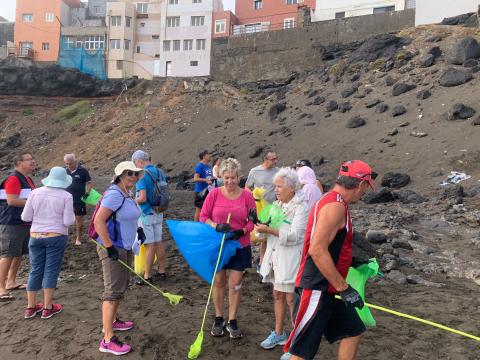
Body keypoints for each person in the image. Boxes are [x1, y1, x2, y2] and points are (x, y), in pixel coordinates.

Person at [281, 160, 377, 360]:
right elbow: (317, 250)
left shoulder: (333, 201)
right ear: (360, 185)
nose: (364, 192)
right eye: (366, 187)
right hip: (315, 289)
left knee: (353, 330)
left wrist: (352, 260)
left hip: (327, 288)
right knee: (301, 353)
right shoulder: (335, 206)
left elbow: (331, 245)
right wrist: (344, 288)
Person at [200, 158, 255, 339]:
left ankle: (232, 320)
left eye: (233, 177)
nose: (230, 181)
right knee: (218, 282)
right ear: (221, 176)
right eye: (226, 177)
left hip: (240, 244)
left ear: (239, 177)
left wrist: (243, 230)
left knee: (235, 284)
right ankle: (218, 317)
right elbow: (203, 217)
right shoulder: (214, 194)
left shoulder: (247, 195)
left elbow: (253, 220)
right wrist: (215, 226)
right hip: (219, 244)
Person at [256, 168, 309, 350]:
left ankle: (296, 341)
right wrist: (260, 230)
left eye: (279, 186)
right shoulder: (277, 205)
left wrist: (269, 230)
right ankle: (279, 333)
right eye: (275, 186)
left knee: (292, 299)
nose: (276, 190)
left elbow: (296, 236)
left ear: (292, 187)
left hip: (291, 260)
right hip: (275, 257)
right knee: (277, 294)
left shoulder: (301, 207)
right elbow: (266, 227)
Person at [94, 161, 142, 355]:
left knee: (120, 287)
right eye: (129, 173)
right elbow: (99, 220)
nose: (133, 177)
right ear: (120, 175)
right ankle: (107, 339)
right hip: (114, 247)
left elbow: (129, 218)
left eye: (136, 174)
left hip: (126, 246)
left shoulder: (126, 193)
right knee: (112, 292)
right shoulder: (115, 194)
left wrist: (139, 231)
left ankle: (113, 321)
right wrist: (109, 247)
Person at [21, 167, 75, 319]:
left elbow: (25, 217)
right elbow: (68, 221)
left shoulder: (35, 192)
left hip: (35, 235)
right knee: (51, 270)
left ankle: (31, 307)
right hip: (56, 236)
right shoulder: (66, 196)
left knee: (35, 269)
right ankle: (47, 307)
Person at [0, 152, 36, 301]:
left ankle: (11, 282)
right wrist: (34, 202)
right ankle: (1, 287)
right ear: (19, 163)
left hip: (23, 222)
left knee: (18, 253)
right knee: (7, 254)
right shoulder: (14, 179)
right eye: (29, 159)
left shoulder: (27, 179)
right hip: (11, 222)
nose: (33, 162)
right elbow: (12, 201)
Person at [131, 150, 167, 282]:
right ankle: (162, 270)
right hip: (159, 211)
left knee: (149, 245)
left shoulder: (142, 175)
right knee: (158, 242)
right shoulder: (160, 172)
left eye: (135, 164)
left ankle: (147, 275)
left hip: (146, 213)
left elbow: (142, 197)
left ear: (140, 162)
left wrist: (131, 200)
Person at [245, 150, 279, 270]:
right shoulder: (254, 171)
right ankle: (247, 259)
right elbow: (247, 187)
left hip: (272, 208)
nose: (276, 161)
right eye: (273, 159)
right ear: (265, 160)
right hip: (257, 208)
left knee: (266, 236)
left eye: (276, 158)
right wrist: (255, 195)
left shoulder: (277, 171)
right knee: (254, 234)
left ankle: (262, 262)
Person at [64, 153, 93, 246]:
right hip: (66, 200)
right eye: (66, 163)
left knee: (78, 219)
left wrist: (87, 193)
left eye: (70, 163)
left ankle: (78, 238)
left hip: (79, 200)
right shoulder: (64, 171)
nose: (68, 165)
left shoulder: (83, 170)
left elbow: (89, 183)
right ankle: (64, 238)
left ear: (75, 162)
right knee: (65, 220)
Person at [193, 150, 213, 222]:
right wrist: (206, 180)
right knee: (199, 209)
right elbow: (195, 178)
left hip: (208, 190)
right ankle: (196, 226)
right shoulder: (199, 166)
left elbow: (208, 177)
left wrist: (213, 178)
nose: (210, 155)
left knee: (207, 208)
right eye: (208, 154)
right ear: (204, 156)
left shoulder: (208, 166)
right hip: (200, 191)